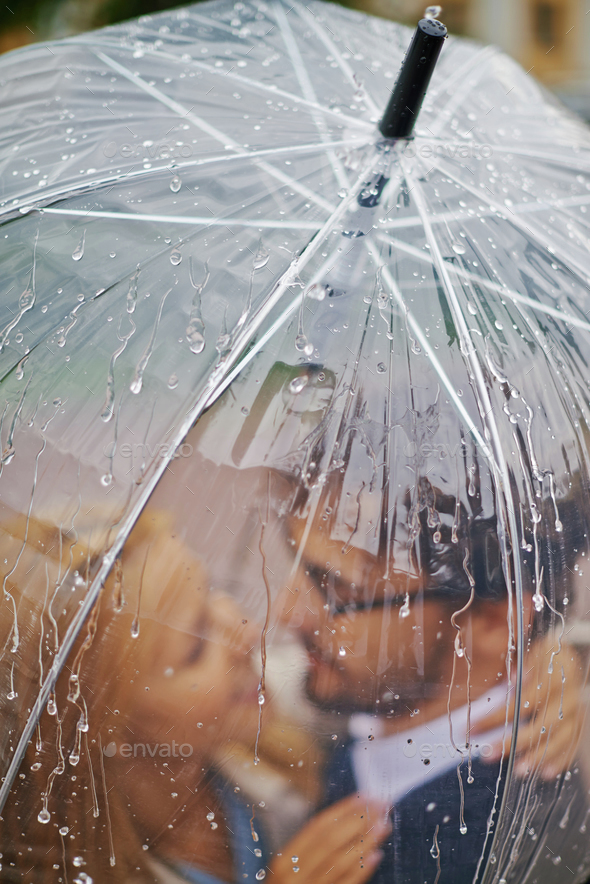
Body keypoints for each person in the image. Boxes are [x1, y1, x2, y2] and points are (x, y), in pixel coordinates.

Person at [0, 504, 392, 884]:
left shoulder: (288, 714)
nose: (248, 630)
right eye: (196, 646)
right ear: (101, 727)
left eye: (214, 591)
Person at [275, 476, 586, 884]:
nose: (287, 611)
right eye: (296, 563)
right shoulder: (377, 708)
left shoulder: (481, 854)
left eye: (341, 589)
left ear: (494, 621)